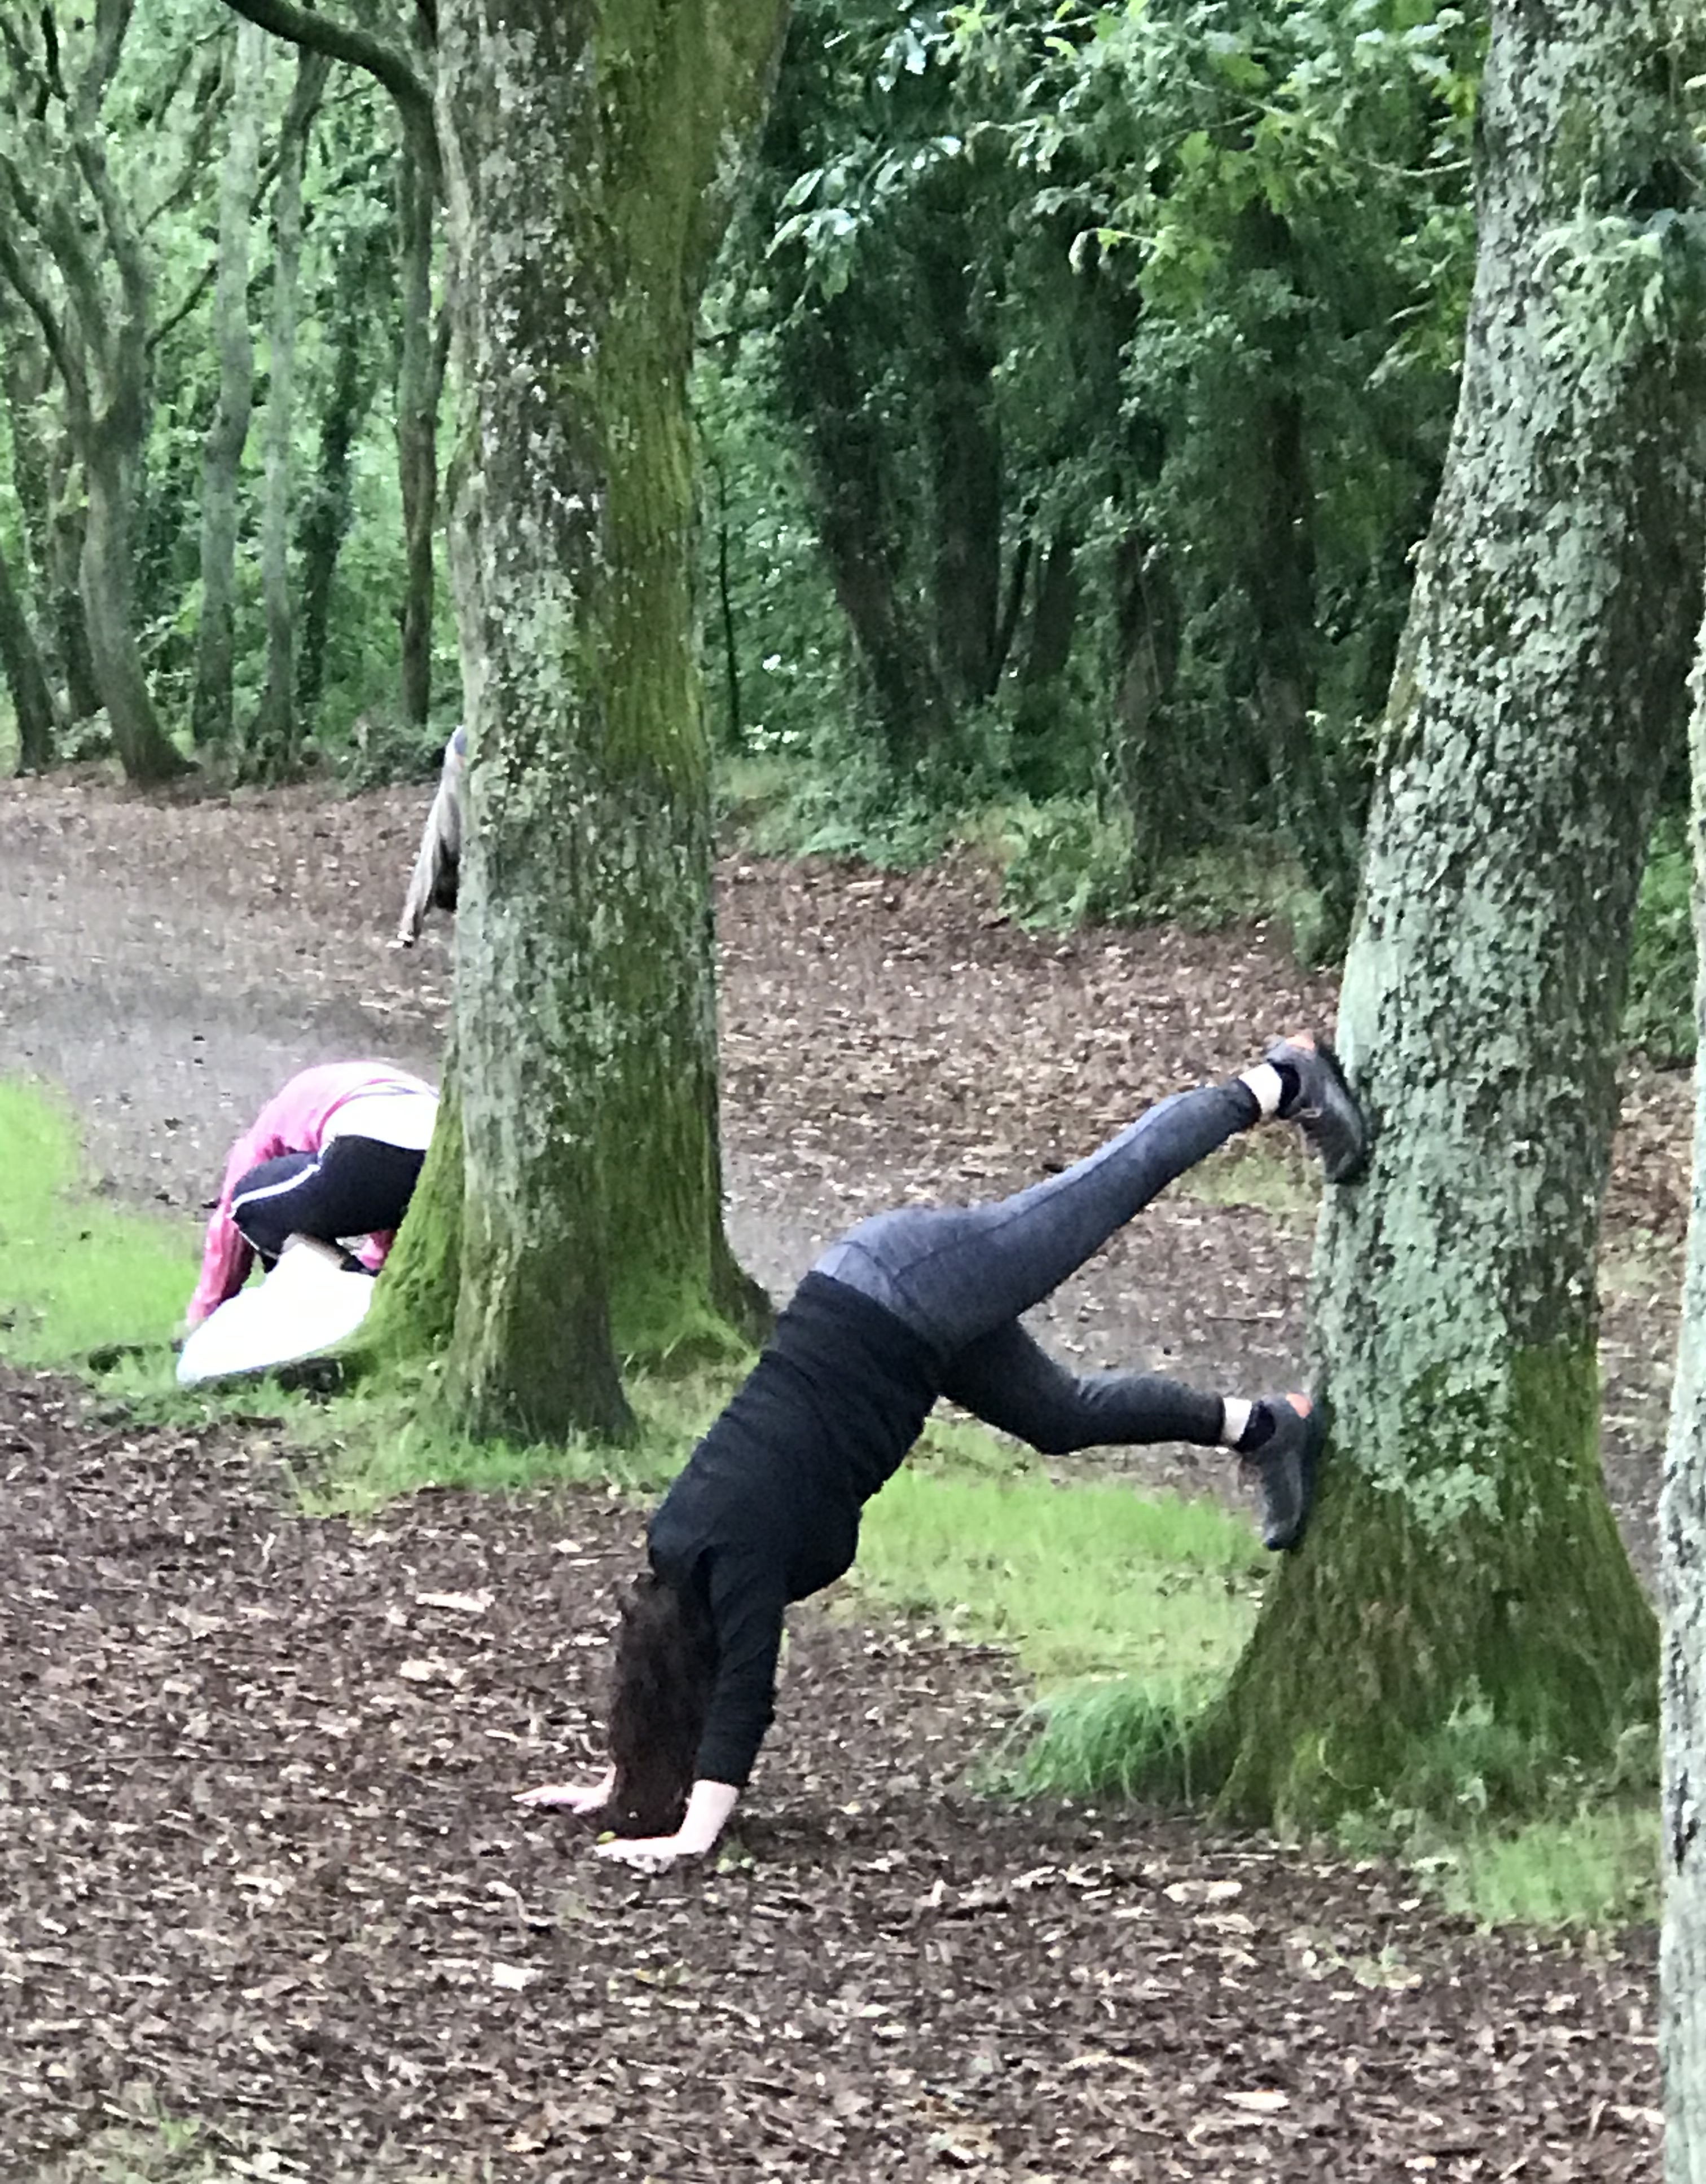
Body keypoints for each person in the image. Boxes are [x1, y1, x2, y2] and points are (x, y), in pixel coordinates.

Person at [517, 1033, 1369, 1867]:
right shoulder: (674, 1554)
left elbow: (745, 1695)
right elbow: (664, 1684)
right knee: (1058, 1418)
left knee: (1102, 1191)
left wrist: (694, 1838)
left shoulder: (734, 1563)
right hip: (885, 1325)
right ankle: (1267, 1428)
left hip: (905, 1285)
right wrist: (619, 1785)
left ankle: (1277, 1083)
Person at [186, 1060, 439, 1328]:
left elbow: (230, 1222)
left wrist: (204, 1315)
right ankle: (373, 1295)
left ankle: (353, 1295)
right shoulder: (364, 1083)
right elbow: (385, 1203)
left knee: (246, 1204)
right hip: (436, 1149)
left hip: (364, 1141)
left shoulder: (274, 1120)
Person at [394, 726, 467, 949]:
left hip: (463, 748)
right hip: (463, 751)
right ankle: (409, 924)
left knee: (440, 833)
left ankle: (409, 924)